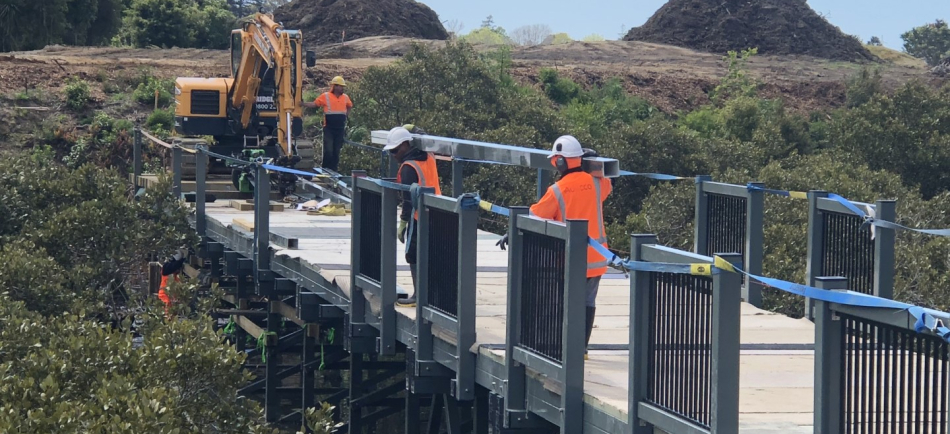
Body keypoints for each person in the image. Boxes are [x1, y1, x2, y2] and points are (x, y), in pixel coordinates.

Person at [497, 135, 611, 360]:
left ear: (561, 162)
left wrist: (510, 231)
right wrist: (592, 162)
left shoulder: (557, 190)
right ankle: (582, 348)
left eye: (555, 161)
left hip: (569, 259)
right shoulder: (598, 184)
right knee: (588, 301)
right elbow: (609, 179)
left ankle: (565, 346)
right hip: (597, 258)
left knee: (566, 302)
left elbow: (534, 215)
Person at [383, 126, 441, 307]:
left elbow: (408, 199)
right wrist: (414, 128)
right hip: (438, 212)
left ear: (405, 145)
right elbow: (425, 135)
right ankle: (433, 296)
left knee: (413, 254)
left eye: (395, 150)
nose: (393, 155)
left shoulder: (409, 167)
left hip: (419, 216)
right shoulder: (428, 156)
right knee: (433, 254)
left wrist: (403, 222)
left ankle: (419, 295)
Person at [303, 76, 353, 172]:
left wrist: (347, 114)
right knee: (329, 150)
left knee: (336, 152)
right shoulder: (326, 96)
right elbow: (314, 104)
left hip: (340, 128)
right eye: (341, 86)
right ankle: (325, 169)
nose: (343, 88)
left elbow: (350, 106)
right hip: (329, 128)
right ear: (335, 86)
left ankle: (334, 171)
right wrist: (303, 104)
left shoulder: (345, 97)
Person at [158, 247, 188, 314]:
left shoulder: (169, 267)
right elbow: (175, 265)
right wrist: (183, 259)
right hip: (165, 296)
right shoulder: (167, 267)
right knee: (168, 315)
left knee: (170, 315)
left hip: (169, 297)